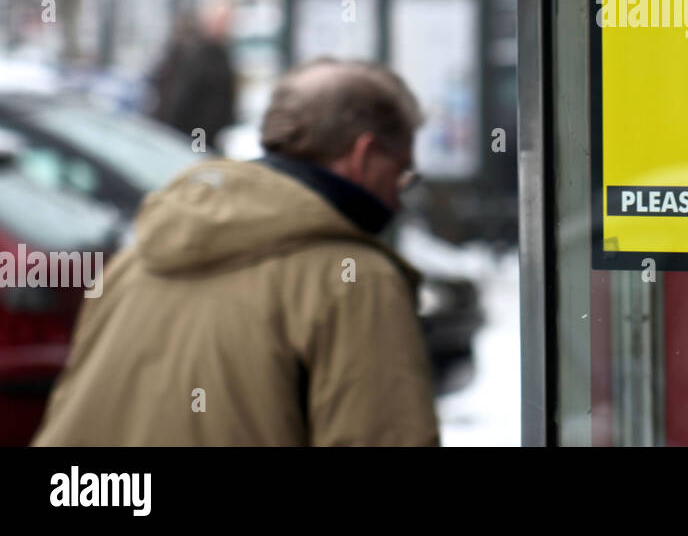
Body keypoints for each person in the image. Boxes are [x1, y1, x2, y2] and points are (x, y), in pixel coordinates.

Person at [33, 58, 440, 446]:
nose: (400, 195)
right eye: (402, 171)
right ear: (364, 154)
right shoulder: (356, 281)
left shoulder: (136, 260)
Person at [150, 0, 237, 148]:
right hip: (198, 134)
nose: (227, 26)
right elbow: (185, 100)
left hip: (212, 134)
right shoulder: (198, 54)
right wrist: (198, 143)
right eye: (222, 21)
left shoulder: (221, 52)